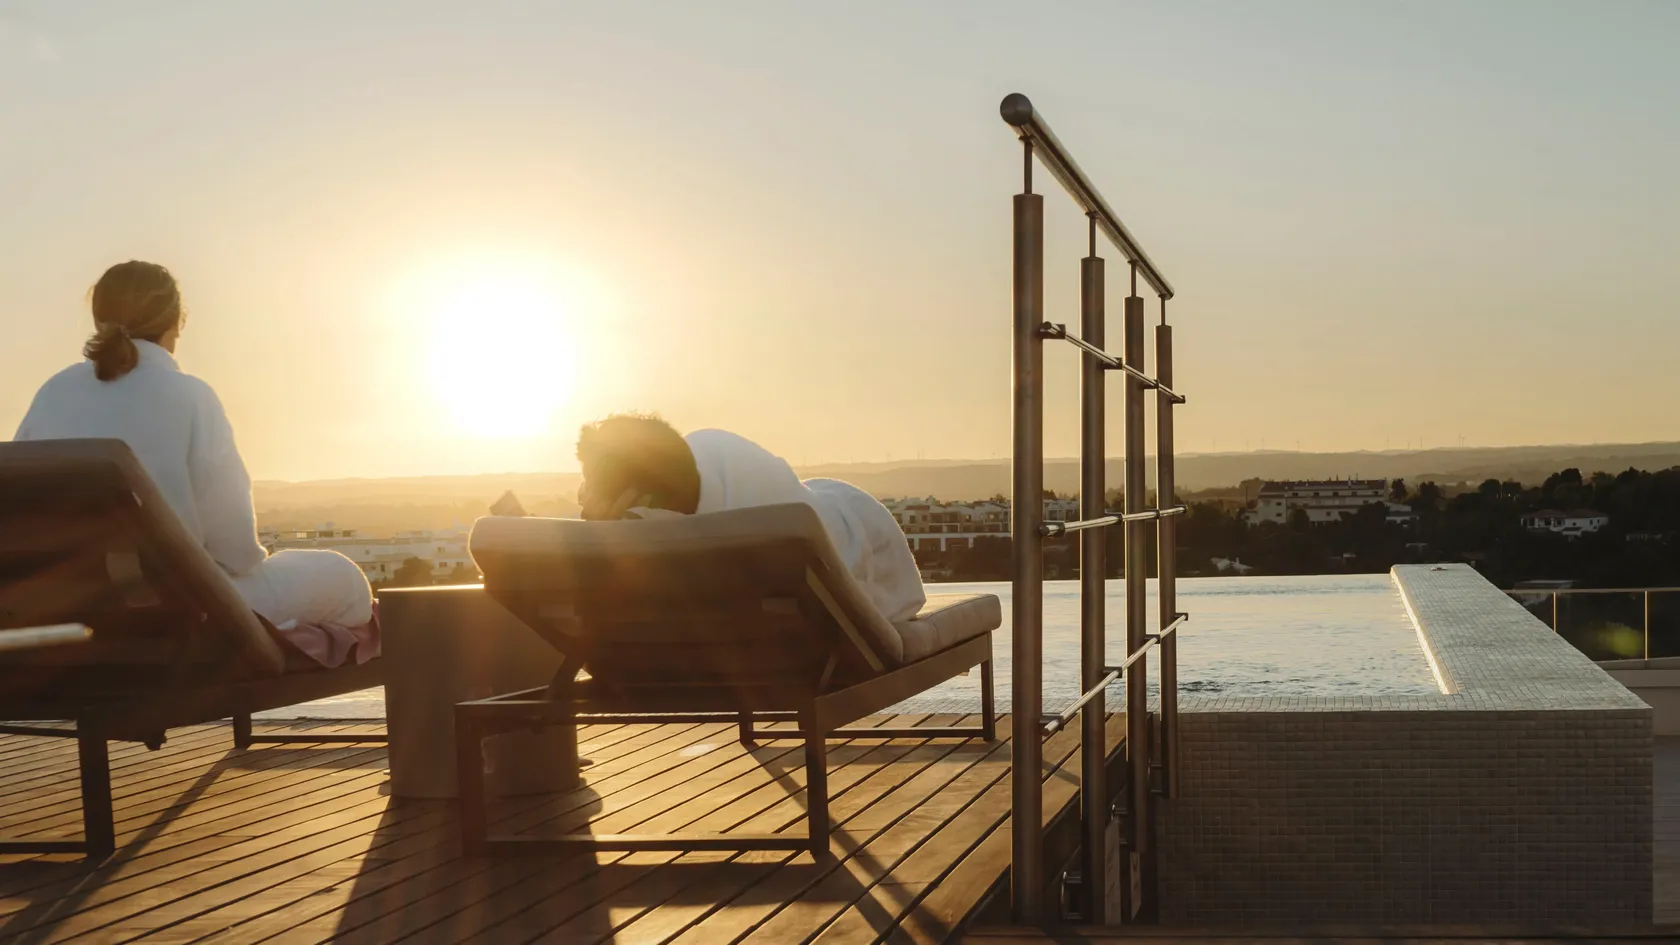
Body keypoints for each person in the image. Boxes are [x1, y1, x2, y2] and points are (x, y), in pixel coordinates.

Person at [12, 261, 373, 634]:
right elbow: (236, 552)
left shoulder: (52, 393)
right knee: (343, 579)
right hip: (178, 606)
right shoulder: (190, 397)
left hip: (69, 606)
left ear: (97, 319)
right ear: (177, 322)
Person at [575, 413, 926, 623]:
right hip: (845, 521)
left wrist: (598, 533)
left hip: (855, 527)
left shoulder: (615, 545)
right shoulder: (760, 534)